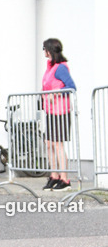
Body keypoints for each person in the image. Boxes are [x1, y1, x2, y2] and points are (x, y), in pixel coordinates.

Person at [41, 38, 76, 190]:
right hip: (50, 111)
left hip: (61, 111)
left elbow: (71, 86)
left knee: (58, 144)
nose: (43, 51)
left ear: (49, 50)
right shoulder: (50, 67)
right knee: (49, 143)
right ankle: (54, 175)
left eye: (44, 49)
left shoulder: (61, 67)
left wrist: (55, 93)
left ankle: (64, 179)